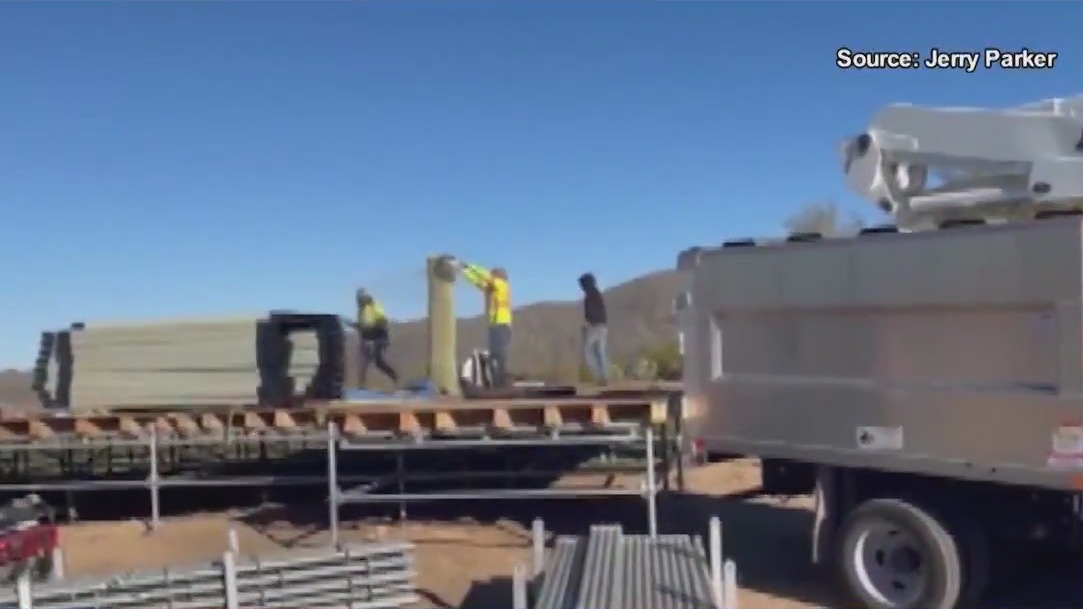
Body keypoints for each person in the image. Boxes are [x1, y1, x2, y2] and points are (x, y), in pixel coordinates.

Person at [460, 262, 512, 387]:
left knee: (499, 354)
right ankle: (495, 381)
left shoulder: (502, 285)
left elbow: (486, 276)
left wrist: (470, 266)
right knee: (494, 354)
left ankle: (501, 381)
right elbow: (478, 283)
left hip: (502, 323)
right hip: (494, 324)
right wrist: (465, 272)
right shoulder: (491, 288)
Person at [355, 288, 399, 387]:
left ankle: (394, 377)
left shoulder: (373, 305)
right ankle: (362, 385)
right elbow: (363, 325)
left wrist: (374, 326)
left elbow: (381, 319)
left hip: (379, 335)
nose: (359, 301)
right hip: (369, 337)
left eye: (360, 298)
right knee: (364, 360)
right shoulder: (361, 310)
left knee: (378, 360)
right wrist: (360, 328)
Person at [578, 272, 610, 385]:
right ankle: (604, 376)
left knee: (587, 352)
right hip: (603, 326)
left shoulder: (589, 296)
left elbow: (590, 312)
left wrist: (587, 323)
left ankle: (598, 376)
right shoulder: (597, 294)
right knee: (600, 353)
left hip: (594, 326)